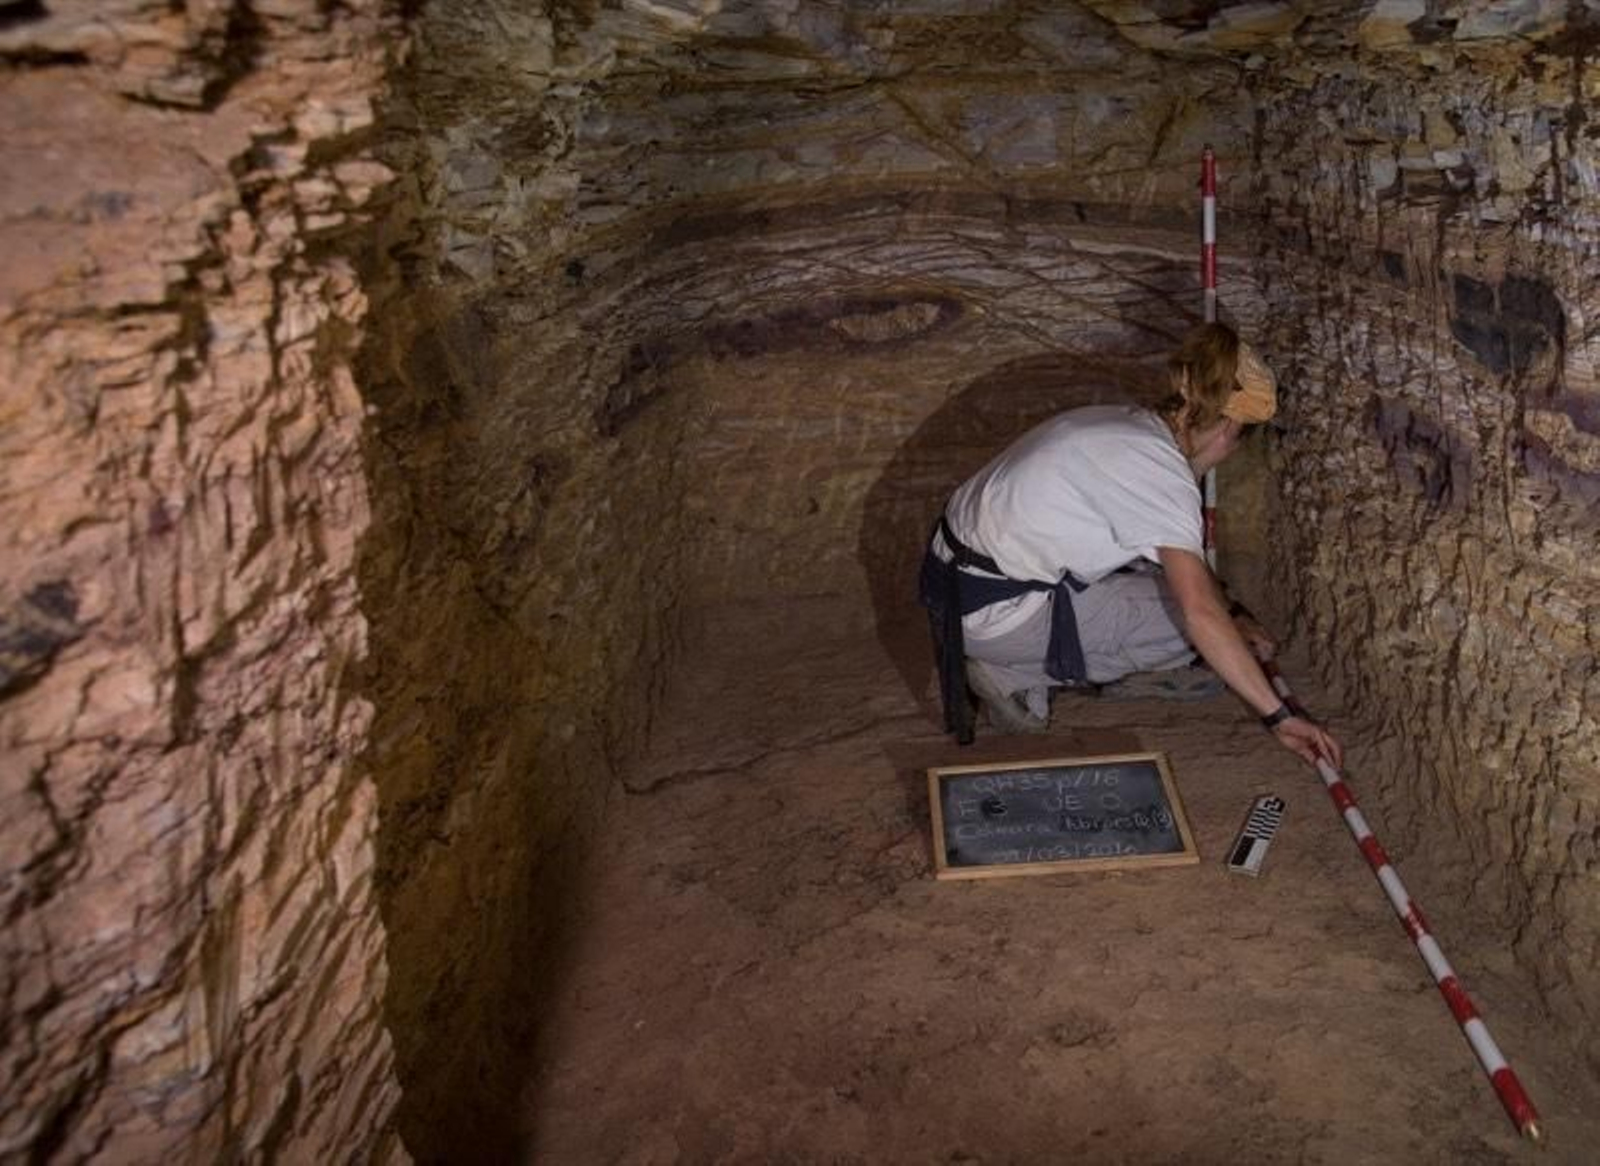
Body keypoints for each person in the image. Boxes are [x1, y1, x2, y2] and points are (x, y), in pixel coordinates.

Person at [918, 322, 1343, 769]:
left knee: (1180, 597)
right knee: (1193, 632)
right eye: (1239, 439)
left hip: (949, 586)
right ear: (1229, 428)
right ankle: (1015, 675)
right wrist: (1278, 716)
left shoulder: (1129, 426)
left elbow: (1165, 565)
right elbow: (1199, 610)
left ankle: (1014, 657)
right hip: (992, 616)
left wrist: (1232, 610)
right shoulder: (1161, 475)